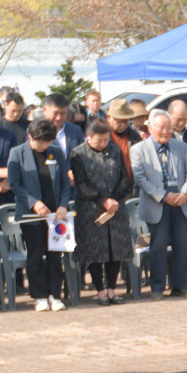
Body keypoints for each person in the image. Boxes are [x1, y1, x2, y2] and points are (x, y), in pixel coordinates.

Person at [131, 110, 187, 298]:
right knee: (158, 246)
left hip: (180, 201)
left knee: (182, 245)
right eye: (161, 127)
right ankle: (157, 287)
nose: (165, 131)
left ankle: (179, 286)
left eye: (169, 128)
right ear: (150, 128)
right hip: (157, 203)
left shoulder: (181, 146)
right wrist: (163, 196)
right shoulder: (138, 149)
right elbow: (140, 178)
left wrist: (185, 193)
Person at [9, 118, 73, 311]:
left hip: (55, 215)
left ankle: (55, 294)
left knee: (55, 255)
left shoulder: (56, 152)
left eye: (47, 141)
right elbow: (15, 184)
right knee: (35, 254)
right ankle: (39, 296)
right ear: (30, 136)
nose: (44, 145)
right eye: (40, 142)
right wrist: (34, 202)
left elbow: (65, 182)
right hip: (31, 215)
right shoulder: (17, 153)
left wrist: (63, 205)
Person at [71, 118, 134, 304]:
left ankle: (112, 290)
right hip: (90, 209)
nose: (103, 144)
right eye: (99, 140)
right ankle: (100, 291)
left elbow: (125, 178)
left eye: (106, 139)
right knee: (95, 251)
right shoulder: (78, 154)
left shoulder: (115, 150)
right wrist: (103, 200)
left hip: (115, 208)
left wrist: (114, 198)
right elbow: (81, 184)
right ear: (88, 137)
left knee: (115, 249)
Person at [41, 93, 85, 166]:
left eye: (63, 113)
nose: (59, 117)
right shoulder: (38, 131)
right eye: (55, 113)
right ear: (45, 110)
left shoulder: (76, 130)